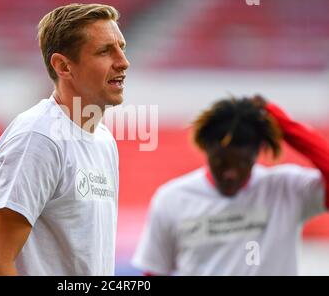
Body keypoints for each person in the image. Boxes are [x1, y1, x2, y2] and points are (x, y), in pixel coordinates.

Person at [0, 3, 130, 275]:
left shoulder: (104, 140)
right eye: (105, 51)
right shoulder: (38, 138)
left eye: (121, 48)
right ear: (63, 66)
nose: (123, 62)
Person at [132, 95, 329, 275]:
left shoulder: (286, 189)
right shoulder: (172, 198)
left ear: (257, 153)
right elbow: (154, 271)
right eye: (220, 162)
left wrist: (284, 125)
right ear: (206, 149)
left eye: (243, 163)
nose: (230, 174)